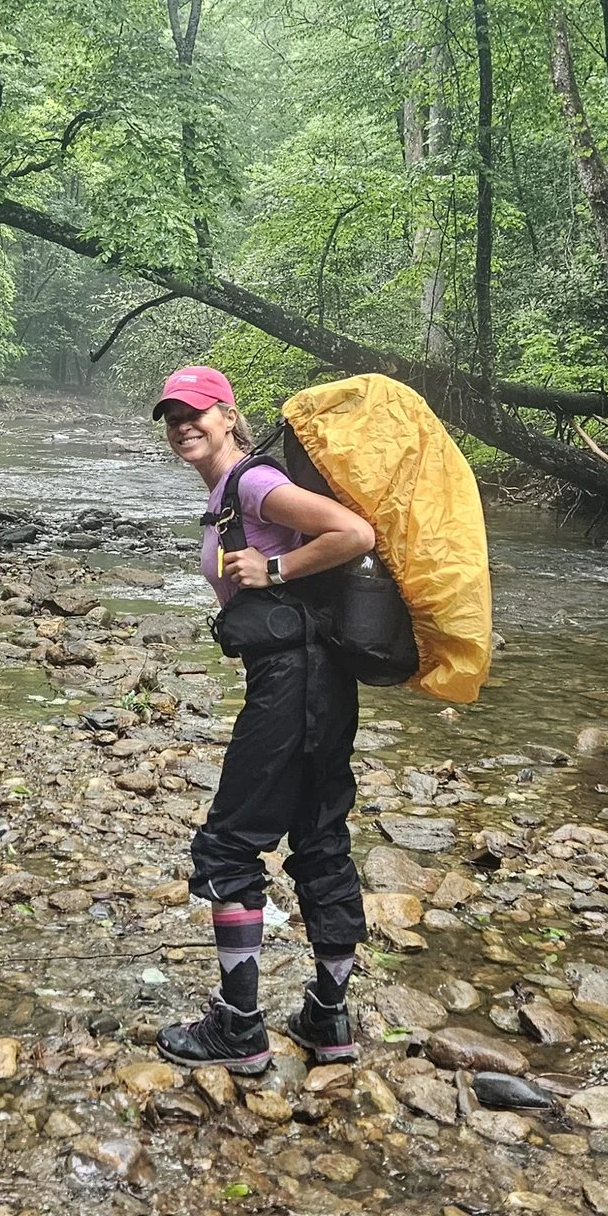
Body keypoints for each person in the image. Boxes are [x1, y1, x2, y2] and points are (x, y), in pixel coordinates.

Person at [149, 365, 377, 1074]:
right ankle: (328, 1018)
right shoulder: (227, 495)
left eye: (196, 411)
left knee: (227, 847)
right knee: (317, 835)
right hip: (321, 685)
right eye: (171, 415)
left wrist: (274, 574)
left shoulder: (250, 483)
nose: (184, 423)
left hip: (290, 685)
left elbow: (355, 533)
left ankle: (240, 1029)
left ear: (227, 413)